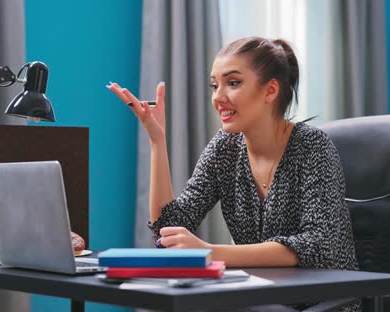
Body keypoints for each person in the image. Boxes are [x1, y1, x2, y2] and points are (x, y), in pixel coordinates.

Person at [107, 37, 359, 311]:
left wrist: (209, 253)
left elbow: (317, 244)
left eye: (233, 83)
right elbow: (168, 228)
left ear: (270, 90)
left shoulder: (313, 146)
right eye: (214, 86)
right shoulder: (225, 148)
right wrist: (157, 141)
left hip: (324, 303)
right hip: (261, 300)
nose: (218, 97)